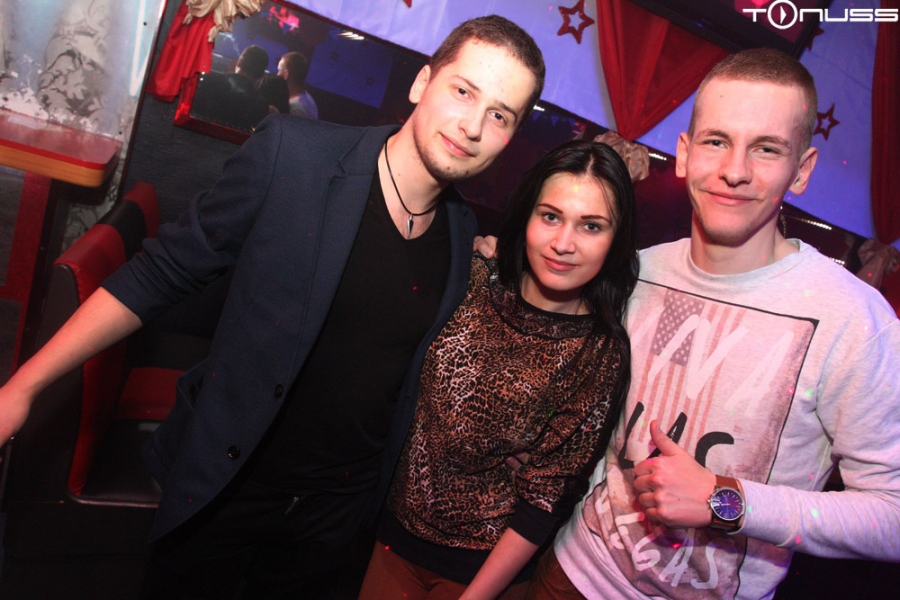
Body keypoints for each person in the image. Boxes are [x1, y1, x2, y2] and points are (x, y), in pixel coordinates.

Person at [0, 15, 545, 599]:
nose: (472, 125)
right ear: (422, 83)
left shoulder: (462, 236)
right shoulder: (294, 156)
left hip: (336, 520)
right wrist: (24, 386)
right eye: (463, 91)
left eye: (500, 115)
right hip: (229, 487)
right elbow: (161, 273)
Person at [524, 48, 900, 599]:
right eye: (717, 141)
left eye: (766, 148)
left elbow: (892, 517)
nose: (735, 170)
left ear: (801, 170)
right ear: (684, 154)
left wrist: (728, 501)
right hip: (572, 574)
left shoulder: (854, 320)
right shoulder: (637, 272)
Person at [358, 140, 640, 600]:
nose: (563, 244)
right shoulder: (470, 277)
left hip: (482, 571)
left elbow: (545, 498)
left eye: (591, 226)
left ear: (616, 239)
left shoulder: (599, 352)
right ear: (527, 215)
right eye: (550, 216)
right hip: (388, 537)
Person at [278, 51, 318, 119]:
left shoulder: (296, 108)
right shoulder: (306, 97)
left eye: (279, 70)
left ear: (286, 74)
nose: (277, 74)